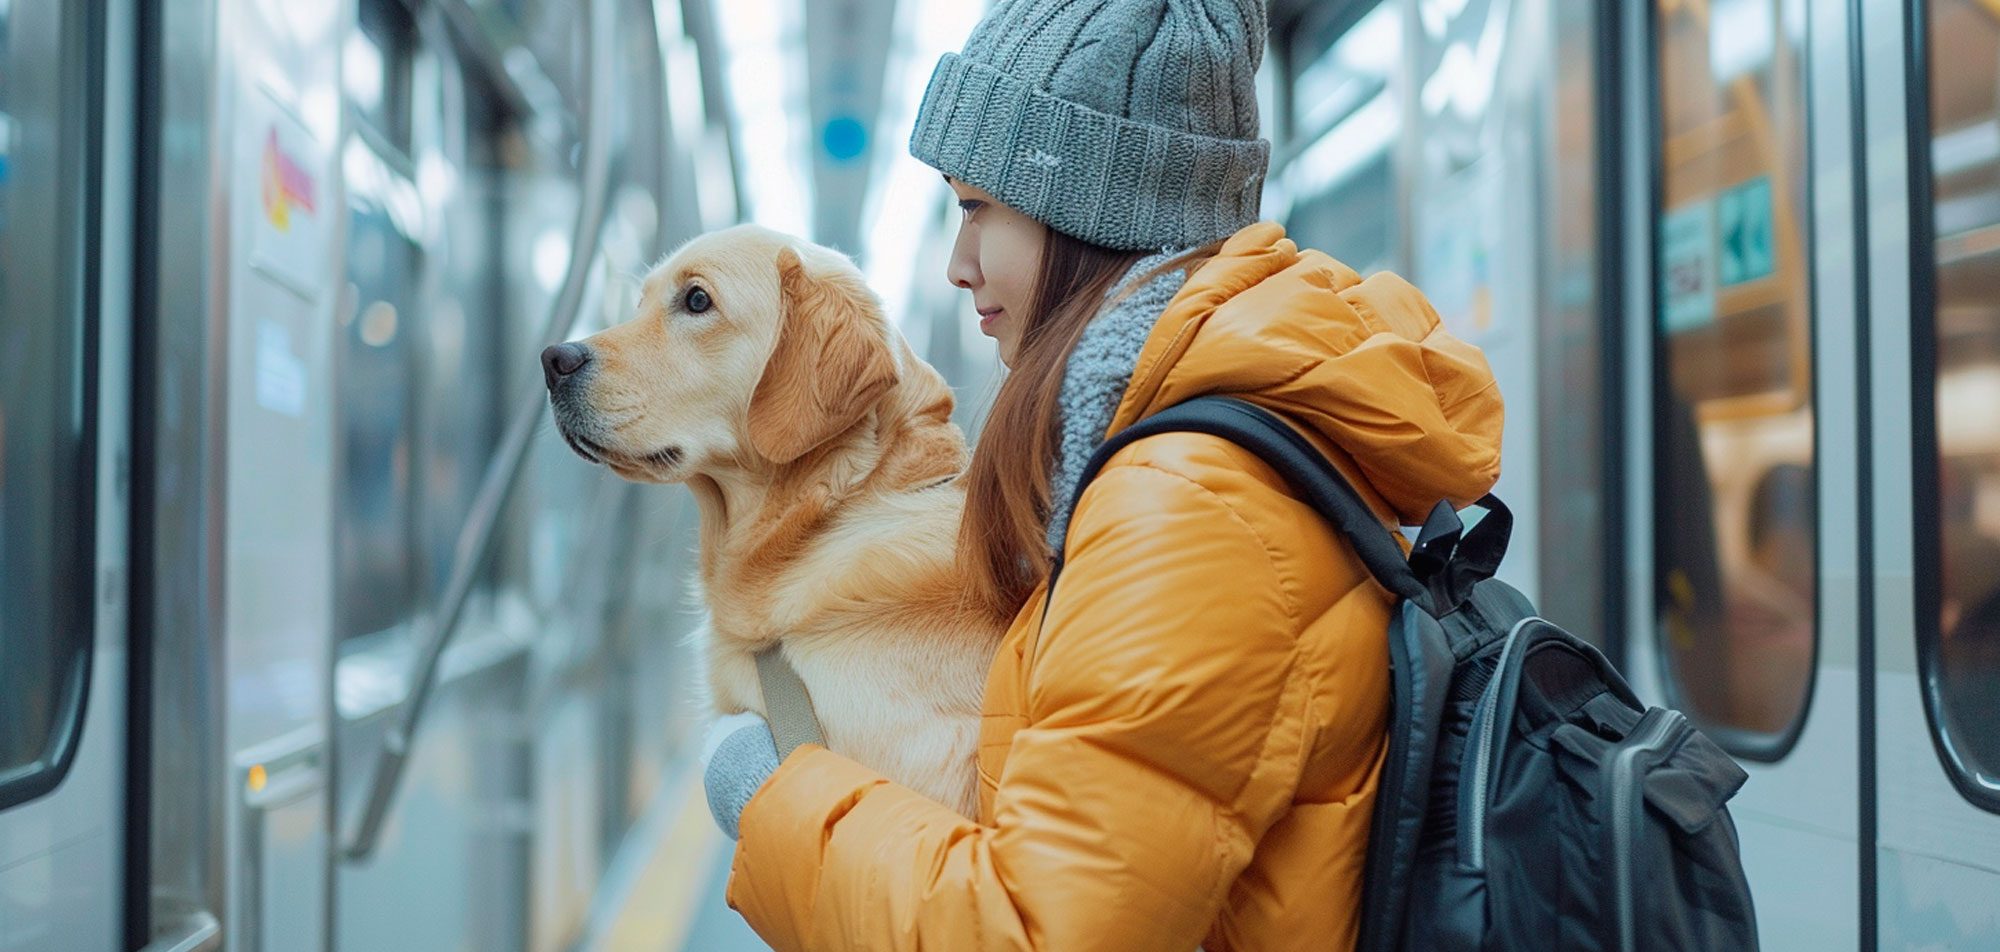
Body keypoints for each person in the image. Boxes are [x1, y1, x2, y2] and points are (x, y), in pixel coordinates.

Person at [701, 1, 1504, 948]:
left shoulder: (1189, 506)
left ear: (1087, 207)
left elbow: (1040, 932)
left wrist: (774, 793)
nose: (959, 266)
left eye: (976, 209)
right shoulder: (1190, 460)